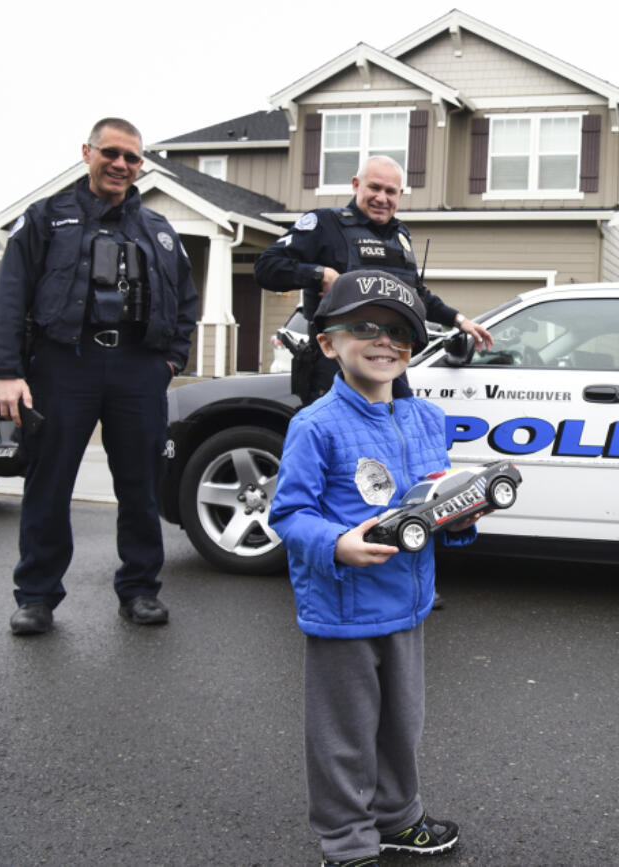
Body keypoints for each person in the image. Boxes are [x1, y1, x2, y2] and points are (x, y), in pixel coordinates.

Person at [269, 270, 477, 864]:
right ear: (328, 343)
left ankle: (398, 818)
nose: (384, 341)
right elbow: (288, 514)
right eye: (364, 327)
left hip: (408, 606)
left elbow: (435, 504)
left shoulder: (426, 419)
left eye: (400, 332)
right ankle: (347, 839)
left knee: (401, 726)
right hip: (342, 609)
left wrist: (459, 520)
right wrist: (336, 544)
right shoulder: (314, 426)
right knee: (344, 735)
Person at [0, 117, 198, 635]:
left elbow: (187, 302)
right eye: (112, 153)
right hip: (63, 364)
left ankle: (140, 590)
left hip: (139, 368)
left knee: (142, 485)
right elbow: (10, 296)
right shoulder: (44, 219)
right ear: (88, 152)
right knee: (49, 483)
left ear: (140, 164)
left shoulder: (160, 231)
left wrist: (170, 362)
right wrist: (7, 370)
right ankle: (36, 596)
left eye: (132, 157)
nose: (121, 164)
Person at [254, 154, 492, 402]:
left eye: (390, 191)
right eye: (374, 187)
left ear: (400, 195)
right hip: (339, 368)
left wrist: (458, 320)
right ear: (356, 185)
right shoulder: (325, 224)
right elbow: (266, 268)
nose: (381, 198)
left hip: (389, 364)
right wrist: (319, 275)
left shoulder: (400, 236)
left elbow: (414, 294)